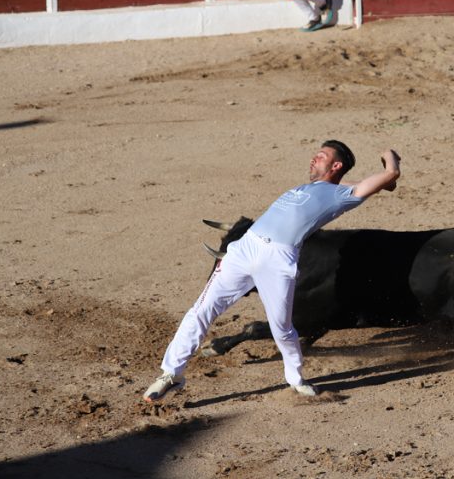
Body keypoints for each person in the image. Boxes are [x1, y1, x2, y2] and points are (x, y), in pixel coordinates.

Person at [143, 143, 402, 403]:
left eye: (321, 156)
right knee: (201, 309)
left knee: (282, 328)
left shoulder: (342, 196)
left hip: (278, 260)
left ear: (336, 165)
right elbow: (369, 183)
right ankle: (171, 374)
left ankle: (296, 380)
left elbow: (390, 174)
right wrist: (382, 183)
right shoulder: (318, 188)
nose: (313, 158)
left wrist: (389, 156)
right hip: (245, 248)